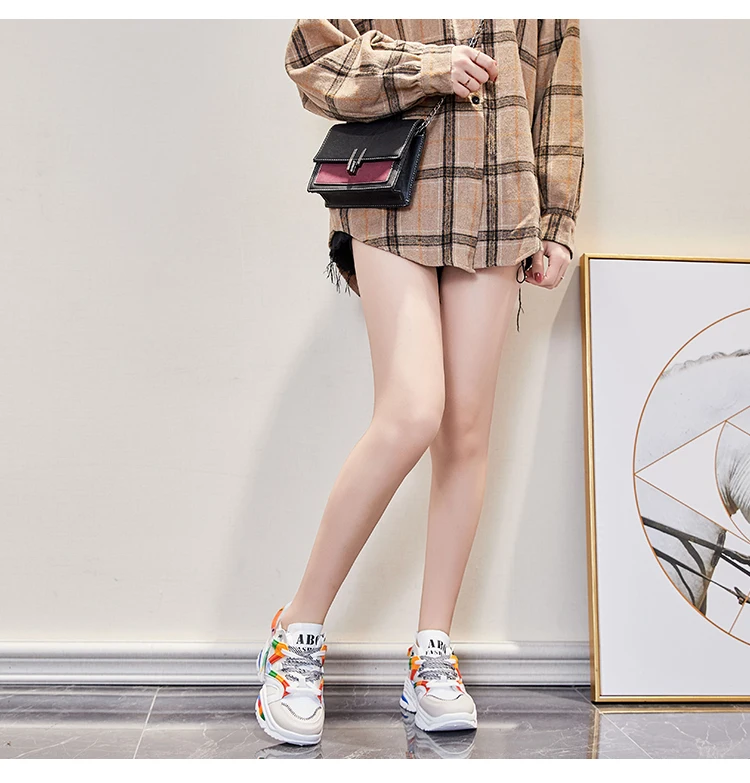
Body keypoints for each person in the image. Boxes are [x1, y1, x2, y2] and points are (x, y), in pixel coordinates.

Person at [256, 18, 585, 747]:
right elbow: (313, 56)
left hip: (499, 199)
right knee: (412, 411)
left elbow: (557, 90)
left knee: (465, 431)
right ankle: (296, 629)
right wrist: (428, 67)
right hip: (391, 192)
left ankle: (432, 651)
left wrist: (558, 219)